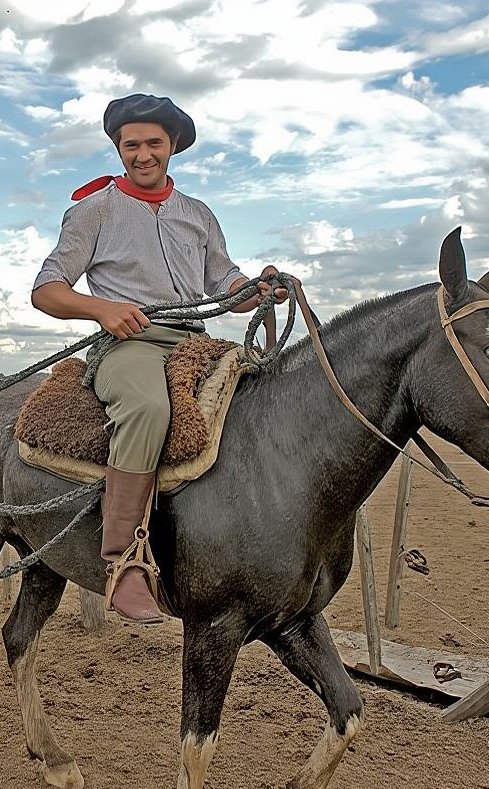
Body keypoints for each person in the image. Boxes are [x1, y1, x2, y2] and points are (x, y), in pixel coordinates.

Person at [30, 93, 297, 623]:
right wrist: (102, 308)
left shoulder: (198, 215)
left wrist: (261, 288)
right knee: (149, 409)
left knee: (277, 395)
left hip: (197, 341)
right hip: (130, 344)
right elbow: (47, 290)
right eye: (132, 145)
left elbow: (225, 283)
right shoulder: (94, 211)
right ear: (118, 148)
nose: (143, 154)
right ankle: (124, 560)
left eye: (154, 143)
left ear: (172, 146)